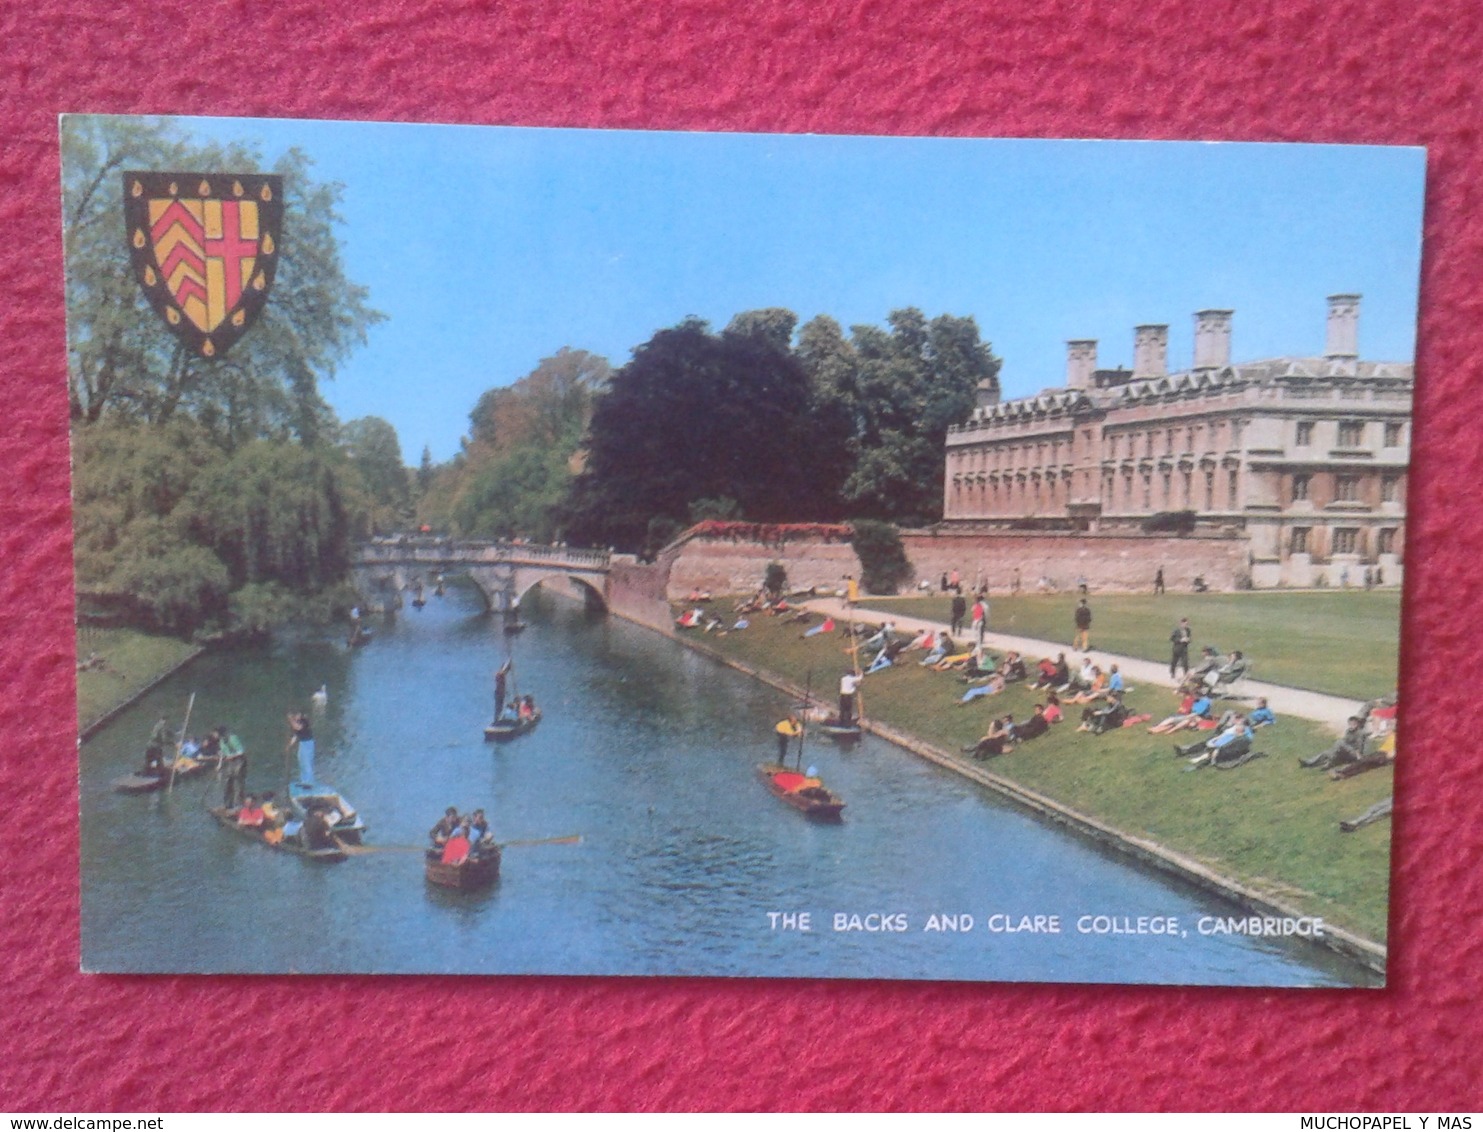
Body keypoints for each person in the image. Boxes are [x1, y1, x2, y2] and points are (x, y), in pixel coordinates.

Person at [1300, 716, 1368, 770]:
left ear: (1357, 724)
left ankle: (1330, 763)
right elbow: (1345, 742)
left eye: (1353, 724)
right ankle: (1308, 763)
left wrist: (1358, 756)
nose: (1351, 726)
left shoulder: (1360, 733)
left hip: (1355, 754)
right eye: (1350, 724)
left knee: (1339, 742)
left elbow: (1360, 747)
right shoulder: (1348, 732)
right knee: (1326, 753)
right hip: (1346, 752)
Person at [219, 726, 248, 808]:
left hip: (239, 761)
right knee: (228, 782)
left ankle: (238, 804)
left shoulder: (233, 738)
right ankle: (227, 803)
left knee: (238, 782)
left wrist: (232, 756)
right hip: (230, 762)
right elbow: (222, 752)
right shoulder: (221, 741)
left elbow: (241, 751)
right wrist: (219, 764)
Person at [286, 711, 315, 785]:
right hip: (302, 743)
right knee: (301, 761)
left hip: (308, 743)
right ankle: (304, 781)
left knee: (306, 762)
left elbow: (298, 727)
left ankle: (309, 782)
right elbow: (295, 735)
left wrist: (290, 720)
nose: (296, 716)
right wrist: (289, 746)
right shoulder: (296, 722)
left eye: (296, 715)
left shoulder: (304, 721)